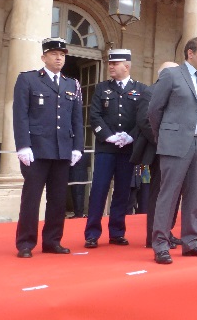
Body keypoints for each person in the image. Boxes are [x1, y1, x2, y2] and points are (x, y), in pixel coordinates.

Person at [148, 37, 197, 264]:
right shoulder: (171, 74)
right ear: (190, 53)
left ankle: (190, 241)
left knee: (194, 195)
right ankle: (160, 243)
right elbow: (154, 110)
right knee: (168, 195)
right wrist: (165, 137)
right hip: (175, 143)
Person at [13, 37, 84, 258]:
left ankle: (52, 240)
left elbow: (76, 119)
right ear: (44, 57)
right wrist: (23, 145)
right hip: (36, 150)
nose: (59, 58)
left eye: (62, 54)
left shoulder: (71, 84)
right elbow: (20, 115)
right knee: (32, 198)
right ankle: (25, 243)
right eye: (54, 54)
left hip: (62, 150)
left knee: (58, 198)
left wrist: (77, 147)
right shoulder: (28, 80)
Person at [84, 49, 147, 248]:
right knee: (99, 190)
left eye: (115, 63)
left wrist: (131, 136)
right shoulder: (102, 88)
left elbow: (143, 119)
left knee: (122, 192)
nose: (110, 66)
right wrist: (108, 136)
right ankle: (92, 233)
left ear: (126, 66)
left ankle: (117, 232)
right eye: (110, 63)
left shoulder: (141, 89)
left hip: (128, 149)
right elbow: (94, 116)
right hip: (106, 148)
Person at [129, 61, 182, 249]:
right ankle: (153, 235)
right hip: (155, 154)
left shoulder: (176, 94)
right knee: (157, 194)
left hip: (175, 152)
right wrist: (165, 142)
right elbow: (145, 122)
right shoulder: (150, 92)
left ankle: (166, 231)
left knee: (173, 194)